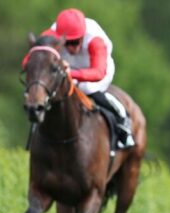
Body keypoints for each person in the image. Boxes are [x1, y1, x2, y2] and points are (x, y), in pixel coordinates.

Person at [42, 8, 135, 149]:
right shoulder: (50, 35)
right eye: (67, 43)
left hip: (96, 69)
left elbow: (98, 73)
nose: (71, 48)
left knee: (86, 88)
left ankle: (121, 118)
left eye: (75, 42)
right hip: (66, 69)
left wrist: (70, 73)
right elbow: (29, 60)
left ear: (83, 36)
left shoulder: (95, 39)